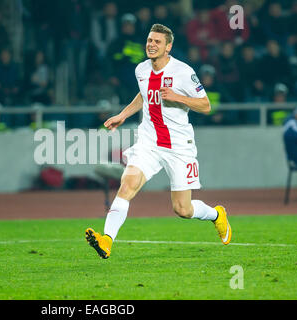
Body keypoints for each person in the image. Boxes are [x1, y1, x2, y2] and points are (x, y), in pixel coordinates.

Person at [85, 24, 232, 259]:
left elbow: (206, 105)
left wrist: (177, 97)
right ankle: (107, 240)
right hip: (149, 142)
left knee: (182, 209)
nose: (151, 45)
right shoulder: (141, 69)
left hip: (178, 147)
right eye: (149, 40)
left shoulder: (183, 72)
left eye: (157, 42)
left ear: (168, 47)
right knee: (127, 185)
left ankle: (216, 215)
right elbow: (143, 95)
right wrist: (123, 115)